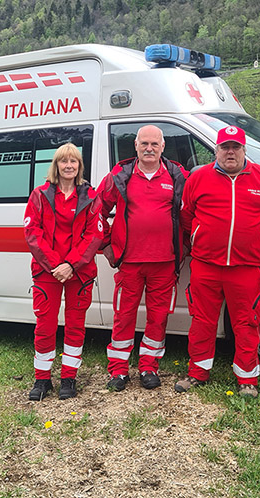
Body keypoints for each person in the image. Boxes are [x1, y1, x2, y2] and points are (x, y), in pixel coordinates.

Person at [176, 125, 260, 397]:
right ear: (216, 150)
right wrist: (201, 239)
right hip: (205, 266)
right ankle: (197, 373)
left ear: (244, 149)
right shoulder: (198, 178)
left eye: (236, 147)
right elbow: (187, 217)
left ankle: (247, 378)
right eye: (225, 147)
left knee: (246, 323)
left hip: (247, 267)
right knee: (202, 321)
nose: (230, 152)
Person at [98, 125, 188, 391]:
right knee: (123, 316)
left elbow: (192, 213)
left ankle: (149, 367)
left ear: (163, 147)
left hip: (165, 263)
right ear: (135, 146)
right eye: (144, 144)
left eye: (155, 144)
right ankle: (118, 370)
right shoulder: (120, 176)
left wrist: (185, 247)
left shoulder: (177, 175)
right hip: (129, 263)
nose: (149, 148)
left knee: (158, 318)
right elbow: (96, 212)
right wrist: (105, 245)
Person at [23, 143, 104, 401]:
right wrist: (56, 265)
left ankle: (69, 378)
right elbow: (32, 233)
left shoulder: (91, 196)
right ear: (56, 165)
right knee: (44, 326)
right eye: (64, 161)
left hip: (78, 273)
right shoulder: (39, 195)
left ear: (79, 166)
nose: (69, 166)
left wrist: (70, 264)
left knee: (75, 325)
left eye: (74, 161)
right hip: (48, 272)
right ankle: (42, 379)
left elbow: (95, 235)